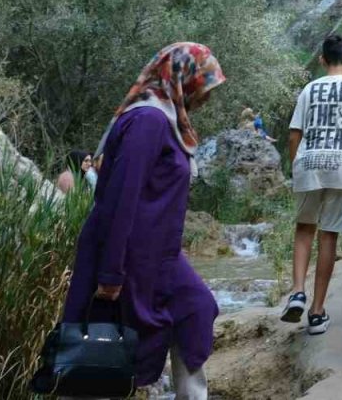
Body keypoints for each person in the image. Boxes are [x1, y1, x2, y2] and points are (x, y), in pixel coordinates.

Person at [60, 43, 225, 397]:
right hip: (128, 254)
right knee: (105, 346)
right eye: (204, 85)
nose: (206, 97)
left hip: (158, 255)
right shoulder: (148, 121)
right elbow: (121, 199)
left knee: (196, 308)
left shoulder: (165, 121)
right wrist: (110, 273)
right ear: (183, 79)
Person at [281, 34, 342, 336]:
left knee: (304, 228)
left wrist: (297, 166)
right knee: (328, 234)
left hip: (309, 164)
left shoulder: (309, 88)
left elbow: (294, 133)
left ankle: (296, 291)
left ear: (321, 60)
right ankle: (317, 312)